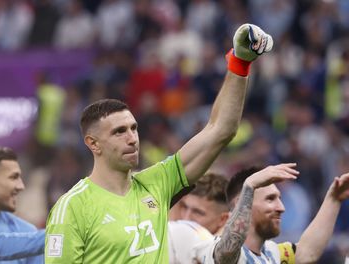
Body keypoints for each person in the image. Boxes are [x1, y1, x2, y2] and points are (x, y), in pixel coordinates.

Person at [45, 23, 273, 263]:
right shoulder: (72, 207)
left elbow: (221, 131)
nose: (132, 138)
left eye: (134, 128)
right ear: (93, 144)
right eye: (119, 132)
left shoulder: (156, 184)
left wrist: (239, 62)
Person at [196, 164, 349, 264]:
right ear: (242, 204)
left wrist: (333, 199)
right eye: (270, 199)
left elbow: (306, 252)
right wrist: (249, 187)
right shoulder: (213, 249)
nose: (281, 207)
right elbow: (226, 254)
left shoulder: (271, 253)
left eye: (279, 198)